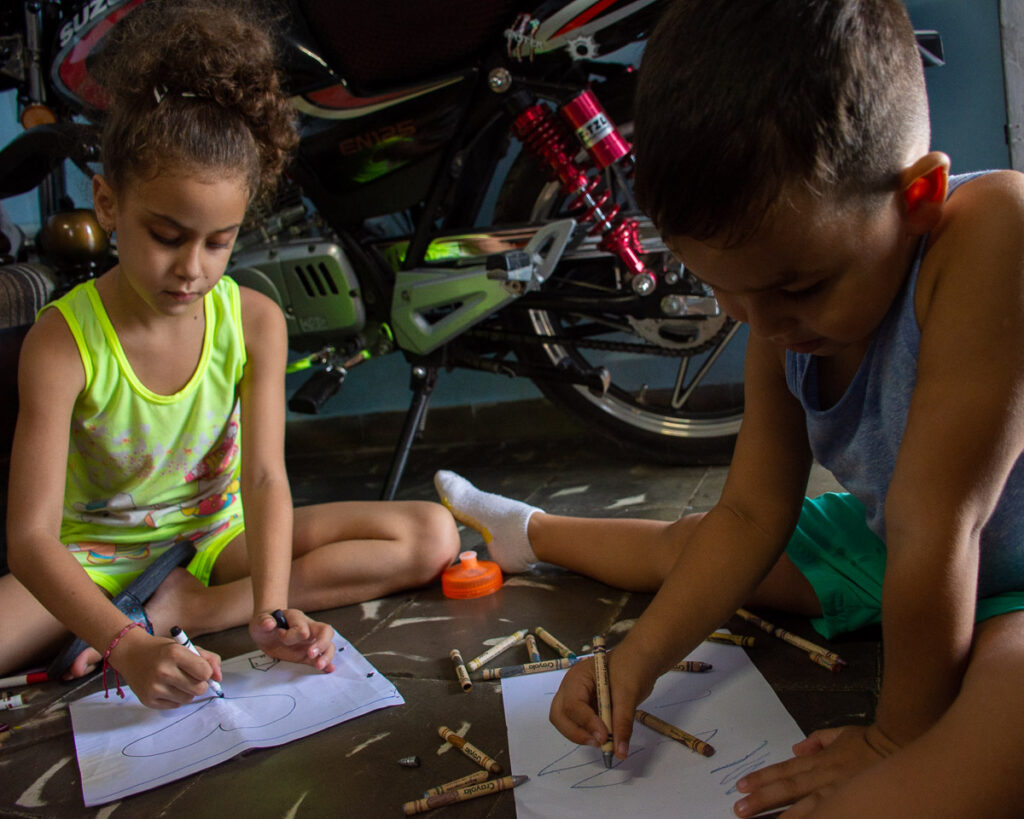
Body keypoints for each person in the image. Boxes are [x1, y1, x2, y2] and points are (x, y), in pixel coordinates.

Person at [435, 1, 1024, 816]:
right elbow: (751, 511)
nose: (766, 324)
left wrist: (895, 740)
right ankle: (531, 531)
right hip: (901, 548)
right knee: (697, 544)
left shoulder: (995, 232)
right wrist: (635, 660)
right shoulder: (771, 301)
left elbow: (940, 527)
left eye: (798, 287)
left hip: (989, 567)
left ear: (916, 197)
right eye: (728, 292)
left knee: (981, 743)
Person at [0, 0, 459, 710]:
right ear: (107, 204)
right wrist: (123, 640)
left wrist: (271, 611)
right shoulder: (61, 342)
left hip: (217, 539)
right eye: (166, 234)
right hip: (93, 559)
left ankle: (198, 606)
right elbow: (30, 538)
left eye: (219, 242)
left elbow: (268, 478)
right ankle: (162, 611)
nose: (193, 267)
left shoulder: (253, 322)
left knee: (430, 534)